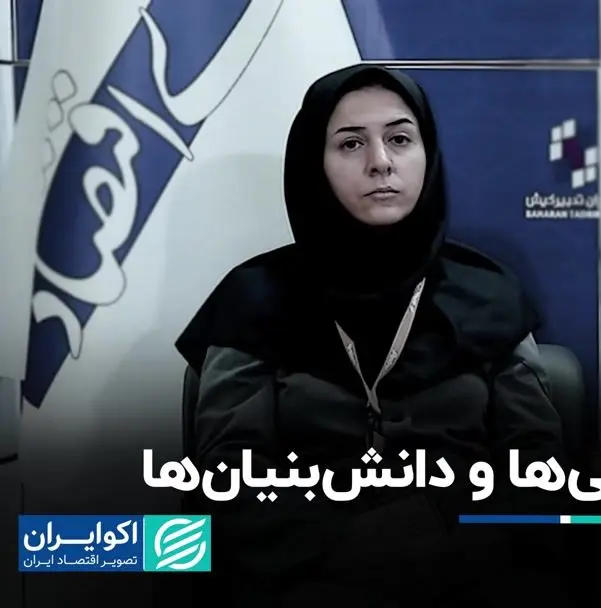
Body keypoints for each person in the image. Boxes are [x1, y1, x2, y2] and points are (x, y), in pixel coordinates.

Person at [175, 66, 568, 606]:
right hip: (304, 578)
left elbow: (538, 467)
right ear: (314, 163)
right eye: (351, 143)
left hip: (471, 572)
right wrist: (355, 549)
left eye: (400, 139)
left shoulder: (490, 294)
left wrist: (444, 548)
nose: (380, 161)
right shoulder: (252, 299)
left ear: (427, 155)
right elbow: (230, 478)